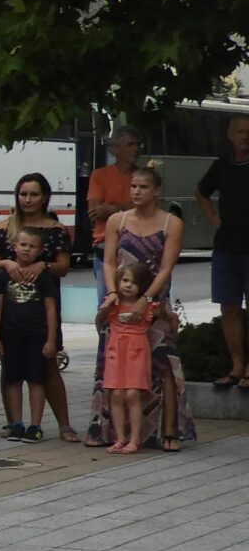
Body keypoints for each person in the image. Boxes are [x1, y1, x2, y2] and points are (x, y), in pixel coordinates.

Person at [85, 163, 193, 450]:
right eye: (133, 186)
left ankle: (169, 430)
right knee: (112, 365)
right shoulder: (117, 221)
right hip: (119, 300)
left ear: (156, 191)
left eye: (143, 187)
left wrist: (148, 298)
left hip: (154, 302)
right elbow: (108, 261)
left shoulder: (171, 223)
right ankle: (109, 430)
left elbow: (165, 268)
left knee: (165, 363)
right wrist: (111, 293)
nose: (136, 191)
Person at [0, 174, 75, 440]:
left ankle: (64, 423)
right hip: (9, 310)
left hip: (41, 310)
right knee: (10, 366)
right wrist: (6, 264)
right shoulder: (4, 228)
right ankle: (15, 422)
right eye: (23, 194)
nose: (28, 199)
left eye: (34, 194)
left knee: (48, 366)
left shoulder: (55, 230)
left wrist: (42, 265)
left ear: (45, 197)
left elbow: (64, 266)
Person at [194, 113, 249, 390]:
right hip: (227, 247)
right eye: (240, 131)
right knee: (229, 308)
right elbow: (201, 192)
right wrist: (213, 218)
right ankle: (237, 365)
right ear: (230, 135)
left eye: (248, 131)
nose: (245, 136)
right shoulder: (222, 166)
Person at [0, 228, 62, 442]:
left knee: (36, 380)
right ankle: (16, 423)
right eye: (23, 244)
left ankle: (35, 425)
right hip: (10, 336)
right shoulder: (3, 275)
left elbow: (51, 309)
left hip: (36, 337)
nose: (26, 250)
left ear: (41, 250)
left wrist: (51, 340)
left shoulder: (44, 277)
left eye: (32, 246)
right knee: (12, 380)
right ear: (14, 246)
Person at [97, 264, 162, 453]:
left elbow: (168, 316)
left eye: (134, 283)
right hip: (115, 350)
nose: (128, 286)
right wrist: (106, 305)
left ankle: (135, 439)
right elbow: (100, 319)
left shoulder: (148, 307)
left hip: (136, 350)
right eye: (125, 280)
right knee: (116, 394)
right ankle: (119, 438)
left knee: (132, 394)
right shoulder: (113, 304)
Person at [87, 127, 141, 241]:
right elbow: (95, 213)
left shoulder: (144, 177)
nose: (136, 149)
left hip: (136, 240)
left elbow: (145, 209)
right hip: (105, 240)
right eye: (130, 144)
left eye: (138, 145)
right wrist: (130, 207)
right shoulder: (99, 175)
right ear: (116, 149)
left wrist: (113, 209)